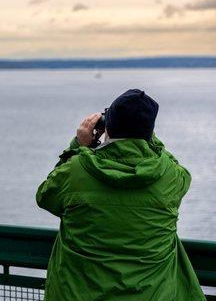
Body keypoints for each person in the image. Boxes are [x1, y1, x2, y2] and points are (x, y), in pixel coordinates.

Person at [36, 89, 205, 300]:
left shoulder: (76, 169)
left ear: (107, 126)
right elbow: (173, 165)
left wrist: (78, 146)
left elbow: (46, 196)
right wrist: (146, 137)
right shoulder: (171, 177)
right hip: (153, 295)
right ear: (150, 131)